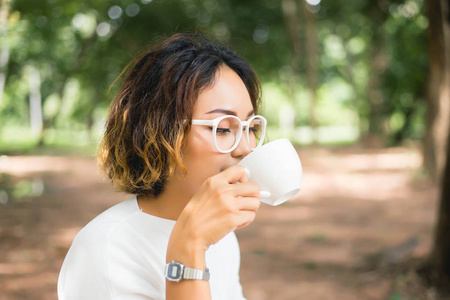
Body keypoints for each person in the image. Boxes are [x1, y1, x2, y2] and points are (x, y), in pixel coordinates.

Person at [57, 32, 267, 300]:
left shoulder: (221, 234)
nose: (246, 148)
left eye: (250, 127)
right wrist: (187, 250)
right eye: (223, 128)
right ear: (161, 135)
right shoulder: (105, 249)